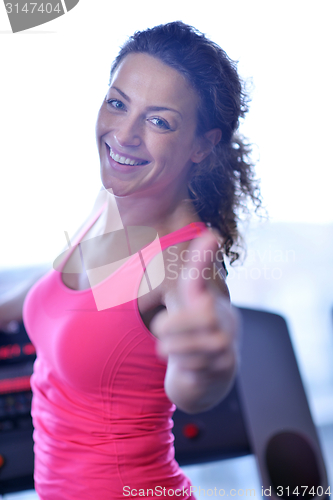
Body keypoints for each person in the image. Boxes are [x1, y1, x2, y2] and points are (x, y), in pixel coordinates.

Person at [1, 21, 261, 500]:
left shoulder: (184, 261)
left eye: (159, 121)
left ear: (203, 145)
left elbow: (195, 381)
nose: (124, 133)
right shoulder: (111, 199)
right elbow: (61, 283)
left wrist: (205, 367)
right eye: (118, 103)